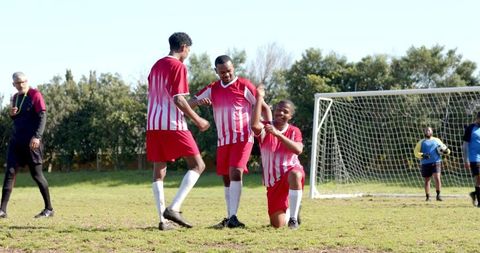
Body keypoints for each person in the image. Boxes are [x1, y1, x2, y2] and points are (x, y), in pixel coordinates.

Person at [147, 32, 210, 230]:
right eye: (189, 49)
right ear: (183, 47)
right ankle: (174, 208)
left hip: (153, 123)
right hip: (173, 124)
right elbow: (177, 99)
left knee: (159, 171)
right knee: (198, 165)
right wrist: (198, 119)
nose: (188, 53)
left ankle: (162, 220)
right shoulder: (178, 66)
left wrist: (196, 103)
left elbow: (167, 97)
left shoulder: (156, 65)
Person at [191, 55, 257, 228]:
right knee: (227, 178)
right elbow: (189, 103)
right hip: (223, 140)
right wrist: (198, 102)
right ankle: (229, 217)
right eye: (222, 72)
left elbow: (260, 104)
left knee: (236, 171)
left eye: (228, 71)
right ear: (216, 71)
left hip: (243, 137)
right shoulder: (213, 88)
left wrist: (261, 125)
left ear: (233, 68)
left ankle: (234, 216)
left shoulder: (244, 85)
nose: (226, 75)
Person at [0, 72, 54, 219]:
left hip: (32, 143)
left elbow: (42, 116)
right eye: (18, 83)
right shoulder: (15, 97)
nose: (21, 85)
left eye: (23, 82)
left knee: (37, 175)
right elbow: (18, 118)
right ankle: (2, 210)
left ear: (27, 81)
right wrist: (11, 114)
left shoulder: (35, 94)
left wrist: (37, 137)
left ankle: (49, 209)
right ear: (14, 84)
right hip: (16, 142)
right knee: (9, 173)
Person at [251, 85, 304, 229]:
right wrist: (259, 97)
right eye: (278, 109)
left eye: (285, 111)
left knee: (295, 174)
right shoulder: (265, 127)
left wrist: (278, 134)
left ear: (290, 116)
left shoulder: (294, 131)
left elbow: (298, 150)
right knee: (277, 225)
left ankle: (293, 218)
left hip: (290, 172)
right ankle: (294, 205)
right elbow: (255, 125)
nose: (280, 113)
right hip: (273, 181)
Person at [414, 127, 450, 202]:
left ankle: (438, 195)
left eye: (429, 130)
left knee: (437, 178)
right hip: (425, 163)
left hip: (436, 162)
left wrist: (446, 151)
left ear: (432, 132)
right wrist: (423, 155)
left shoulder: (437, 140)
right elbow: (416, 153)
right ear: (424, 132)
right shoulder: (421, 142)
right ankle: (427, 197)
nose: (428, 131)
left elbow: (446, 149)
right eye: (426, 130)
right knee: (427, 180)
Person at [463, 112, 480, 207]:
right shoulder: (470, 128)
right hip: (474, 158)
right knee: (479, 179)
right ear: (477, 118)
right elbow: (465, 145)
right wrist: (466, 160)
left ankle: (475, 194)